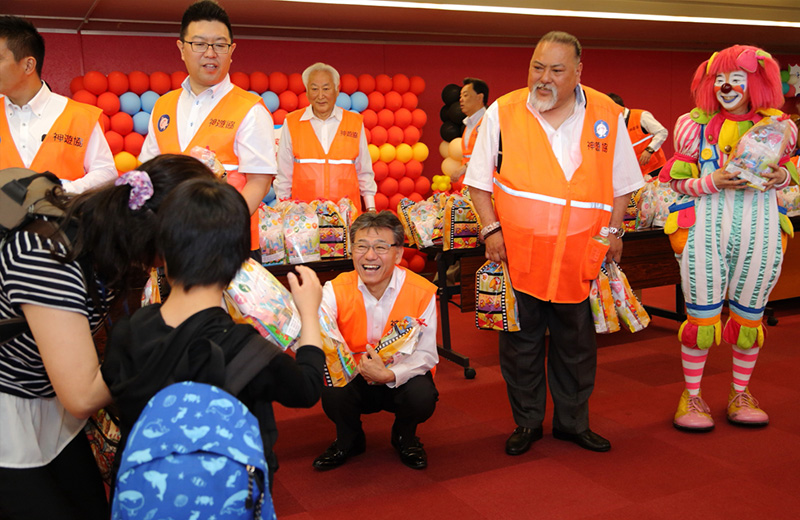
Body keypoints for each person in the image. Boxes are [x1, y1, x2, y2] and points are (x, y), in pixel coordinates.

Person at [0, 154, 216, 519]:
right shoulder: (50, 255)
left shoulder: (105, 240)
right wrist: (168, 329)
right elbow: (82, 394)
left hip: (47, 405)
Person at [464, 31, 644, 456]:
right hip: (520, 256)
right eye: (536, 67)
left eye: (556, 70)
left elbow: (623, 185)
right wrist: (490, 230)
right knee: (521, 346)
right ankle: (526, 423)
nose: (543, 78)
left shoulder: (608, 113)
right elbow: (476, 183)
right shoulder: (503, 111)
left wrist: (615, 233)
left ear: (579, 72)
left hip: (582, 257)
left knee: (576, 346)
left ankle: (572, 423)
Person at [101, 178, 325, 486]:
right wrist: (309, 314)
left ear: (163, 253)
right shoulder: (247, 349)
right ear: (238, 261)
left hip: (145, 495)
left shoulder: (127, 332)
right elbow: (308, 388)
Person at [661, 45, 797, 432]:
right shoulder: (694, 127)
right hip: (706, 229)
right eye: (719, 78)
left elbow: (791, 174)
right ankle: (693, 394)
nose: (726, 86)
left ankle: (740, 391)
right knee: (701, 317)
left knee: (750, 315)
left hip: (763, 228)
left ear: (756, 82)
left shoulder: (781, 129)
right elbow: (673, 181)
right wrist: (711, 181)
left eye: (736, 78)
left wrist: (781, 177)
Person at [138, 0, 276, 253]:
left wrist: (222, 227)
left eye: (220, 45)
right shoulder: (163, 106)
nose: (210, 53)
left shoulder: (250, 109)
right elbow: (148, 173)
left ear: (232, 50)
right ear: (181, 48)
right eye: (199, 44)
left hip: (228, 245)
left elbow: (259, 182)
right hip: (171, 244)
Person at [312, 211, 438, 470]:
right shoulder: (334, 289)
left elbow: (426, 355)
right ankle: (349, 439)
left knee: (422, 394)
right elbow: (320, 331)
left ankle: (405, 436)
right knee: (331, 384)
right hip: (355, 375)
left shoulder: (422, 291)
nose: (370, 256)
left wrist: (389, 374)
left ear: (399, 254)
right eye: (361, 246)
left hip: (398, 378)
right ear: (351, 250)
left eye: (381, 247)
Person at [0, 15, 116, 194]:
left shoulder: (80, 116)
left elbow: (106, 173)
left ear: (28, 65)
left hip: (64, 218)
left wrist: (61, 191)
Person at [276, 62, 377, 212]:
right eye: (314, 89)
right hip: (305, 219)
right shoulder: (292, 122)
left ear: (337, 91)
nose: (320, 95)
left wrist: (371, 208)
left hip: (346, 215)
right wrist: (282, 209)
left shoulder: (354, 122)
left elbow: (364, 170)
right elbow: (284, 174)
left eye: (326, 88)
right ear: (307, 92)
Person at [607, 92, 669, 178]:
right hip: (635, 174)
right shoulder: (610, 124)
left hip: (655, 168)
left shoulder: (640, 116)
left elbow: (662, 132)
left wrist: (649, 150)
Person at [451, 77, 489, 191]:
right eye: (460, 96)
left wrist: (464, 168)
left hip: (483, 186)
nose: (461, 100)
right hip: (469, 185)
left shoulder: (488, 122)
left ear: (479, 97)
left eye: (466, 95)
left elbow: (487, 155)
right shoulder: (469, 123)